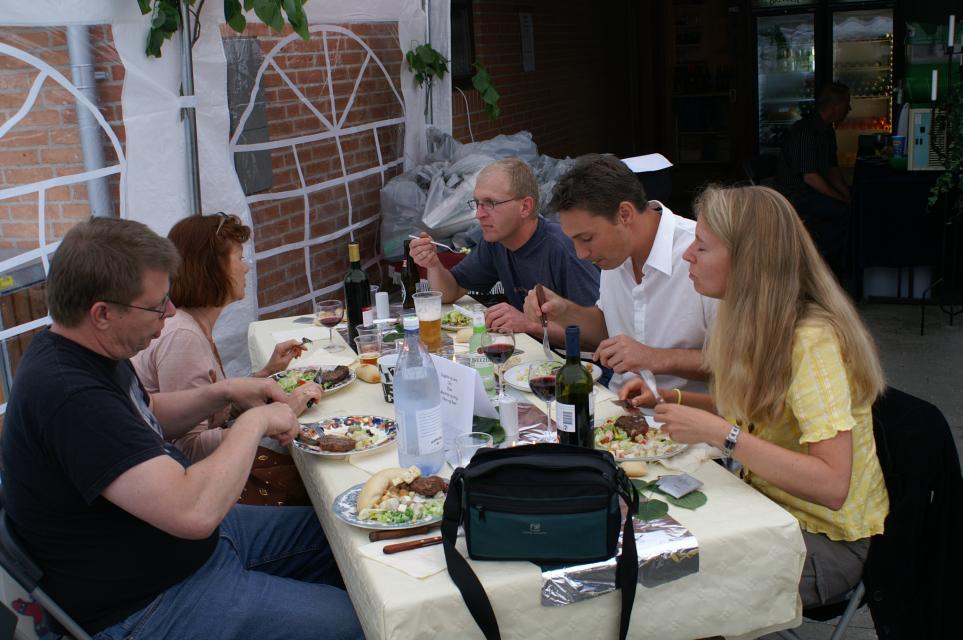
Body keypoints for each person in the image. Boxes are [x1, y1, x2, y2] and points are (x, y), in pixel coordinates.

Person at [0, 217, 362, 640]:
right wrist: (255, 421)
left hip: (186, 552)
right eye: (157, 306)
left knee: (350, 539)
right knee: (363, 624)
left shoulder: (84, 351)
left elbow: (146, 411)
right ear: (102, 314)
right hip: (147, 604)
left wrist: (224, 391)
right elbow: (194, 512)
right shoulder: (70, 396)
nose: (171, 312)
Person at [619, 184, 889, 610]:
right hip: (764, 507)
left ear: (748, 260)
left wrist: (721, 434)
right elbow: (757, 410)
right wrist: (668, 397)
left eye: (702, 247)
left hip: (824, 541)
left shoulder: (811, 341)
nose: (688, 255)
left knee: (668, 585)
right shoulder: (755, 320)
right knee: (642, 544)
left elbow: (832, 484)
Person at [523, 153, 716, 393]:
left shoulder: (702, 253)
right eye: (574, 240)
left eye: (586, 238)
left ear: (625, 214)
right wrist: (564, 311)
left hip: (685, 411)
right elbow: (609, 330)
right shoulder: (616, 253)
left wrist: (654, 358)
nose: (581, 253)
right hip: (617, 402)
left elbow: (742, 363)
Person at [133, 213, 315, 463]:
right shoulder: (182, 336)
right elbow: (188, 450)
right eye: (239, 258)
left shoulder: (193, 324)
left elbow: (214, 410)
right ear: (213, 269)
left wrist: (266, 373)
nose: (246, 267)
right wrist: (276, 415)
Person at [408, 158, 599, 340]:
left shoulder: (564, 248)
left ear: (525, 207)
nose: (479, 214)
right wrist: (433, 264)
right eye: (477, 203)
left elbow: (599, 333)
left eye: (490, 203)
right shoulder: (496, 242)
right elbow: (451, 291)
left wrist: (529, 325)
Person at [774, 82, 853, 286]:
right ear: (834, 107)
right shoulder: (805, 132)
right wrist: (840, 198)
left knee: (852, 205)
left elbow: (832, 169)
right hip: (796, 194)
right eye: (846, 105)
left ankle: (832, 265)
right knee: (843, 212)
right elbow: (810, 178)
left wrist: (846, 194)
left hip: (813, 190)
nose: (849, 110)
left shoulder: (827, 132)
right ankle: (823, 267)